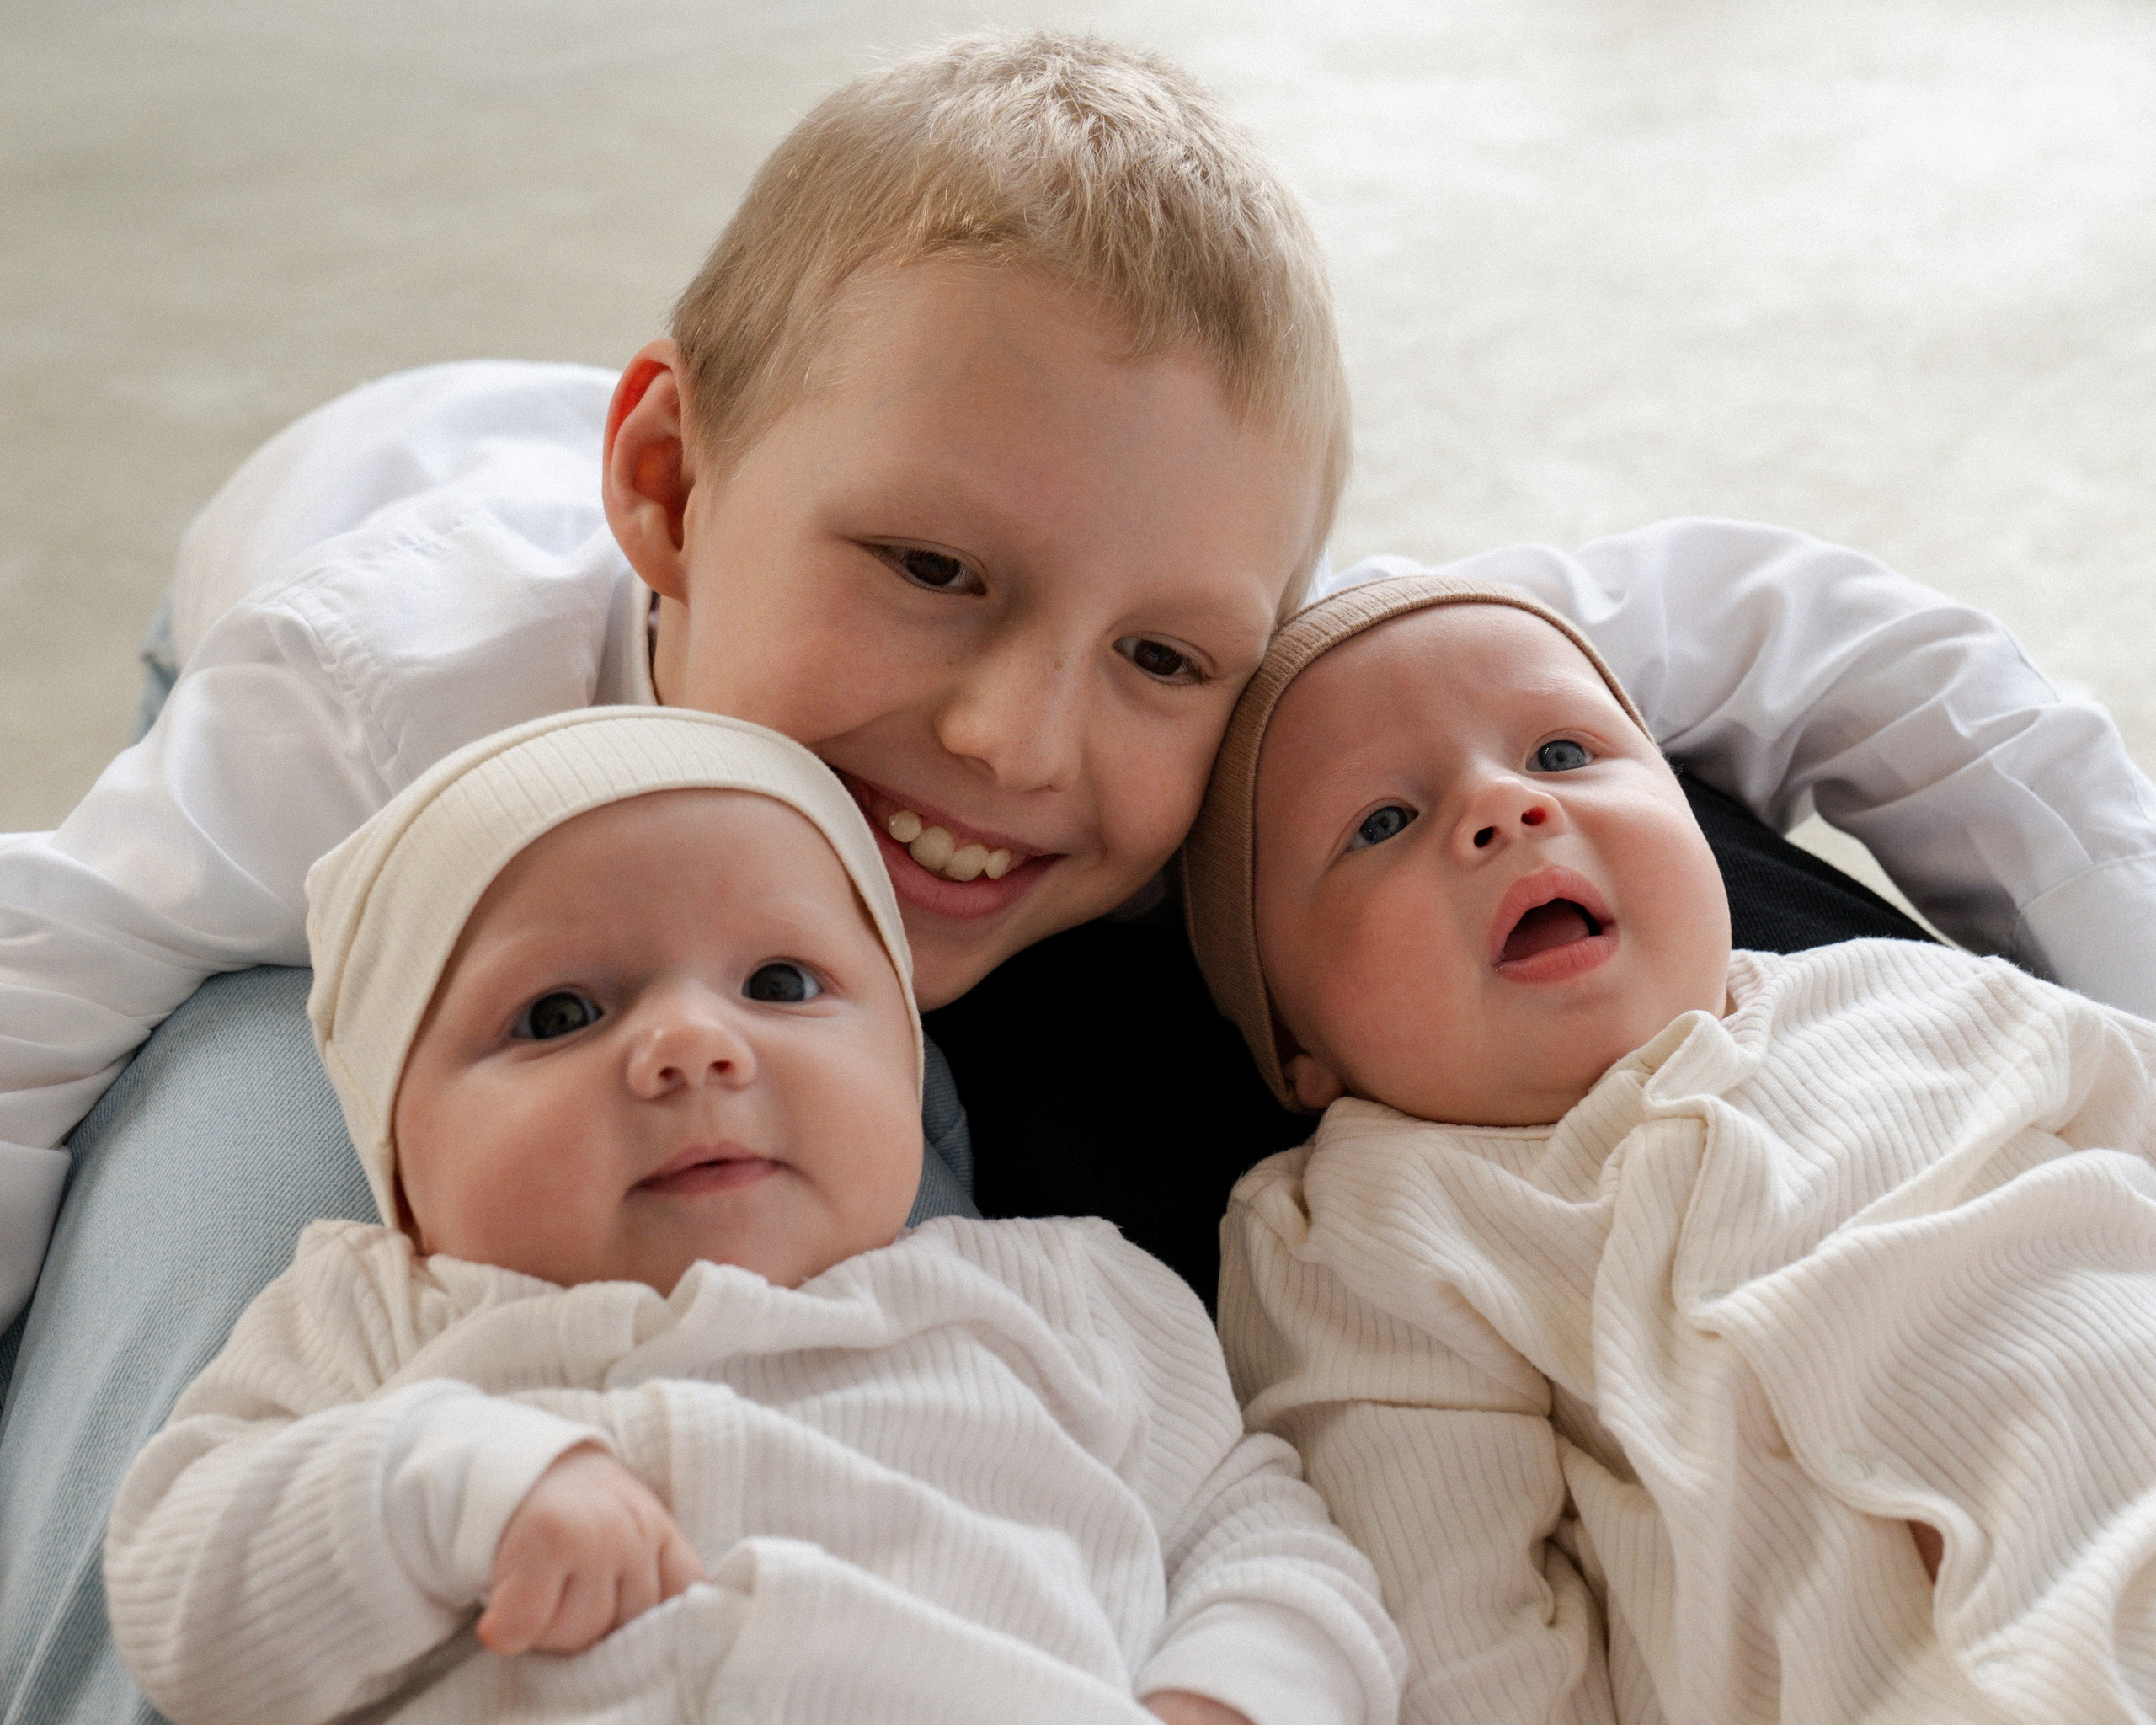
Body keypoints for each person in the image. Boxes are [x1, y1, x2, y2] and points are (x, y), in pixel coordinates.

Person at [5, 24, 2156, 1722]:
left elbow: (1824, 639)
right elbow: (42, 987)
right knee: (255, 1094)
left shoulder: (1269, 647)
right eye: (929, 570)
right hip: (362, 512)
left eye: (1161, 659)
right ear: (664, 487)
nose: (1019, 744)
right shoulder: (371, 704)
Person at [106, 707, 1402, 1725]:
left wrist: (1222, 1697)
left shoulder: (1071, 1300)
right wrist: (444, 1485)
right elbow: (177, 1592)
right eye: (560, 1013)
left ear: (903, 1067)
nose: (693, 1046)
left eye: (780, 983)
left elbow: (1267, 1543)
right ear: (400, 1159)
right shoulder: (375, 1320)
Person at [1182, 574, 2156, 1724]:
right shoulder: (1369, 1225)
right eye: (1381, 823)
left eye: (1561, 755)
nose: (1503, 807)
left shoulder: (1920, 995)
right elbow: (1448, 1622)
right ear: (1294, 1041)